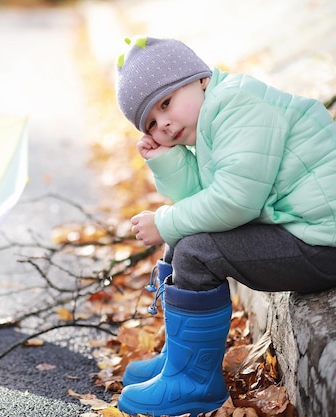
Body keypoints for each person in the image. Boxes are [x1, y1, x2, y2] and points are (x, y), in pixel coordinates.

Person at [114, 36, 336, 417]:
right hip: (304, 230)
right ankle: (179, 359)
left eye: (166, 103)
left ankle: (194, 382)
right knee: (186, 239)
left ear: (199, 78)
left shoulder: (238, 105)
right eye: (151, 122)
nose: (164, 123)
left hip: (323, 239)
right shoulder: (212, 116)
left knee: (198, 250)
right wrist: (168, 160)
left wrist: (165, 222)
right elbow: (201, 200)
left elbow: (235, 202)